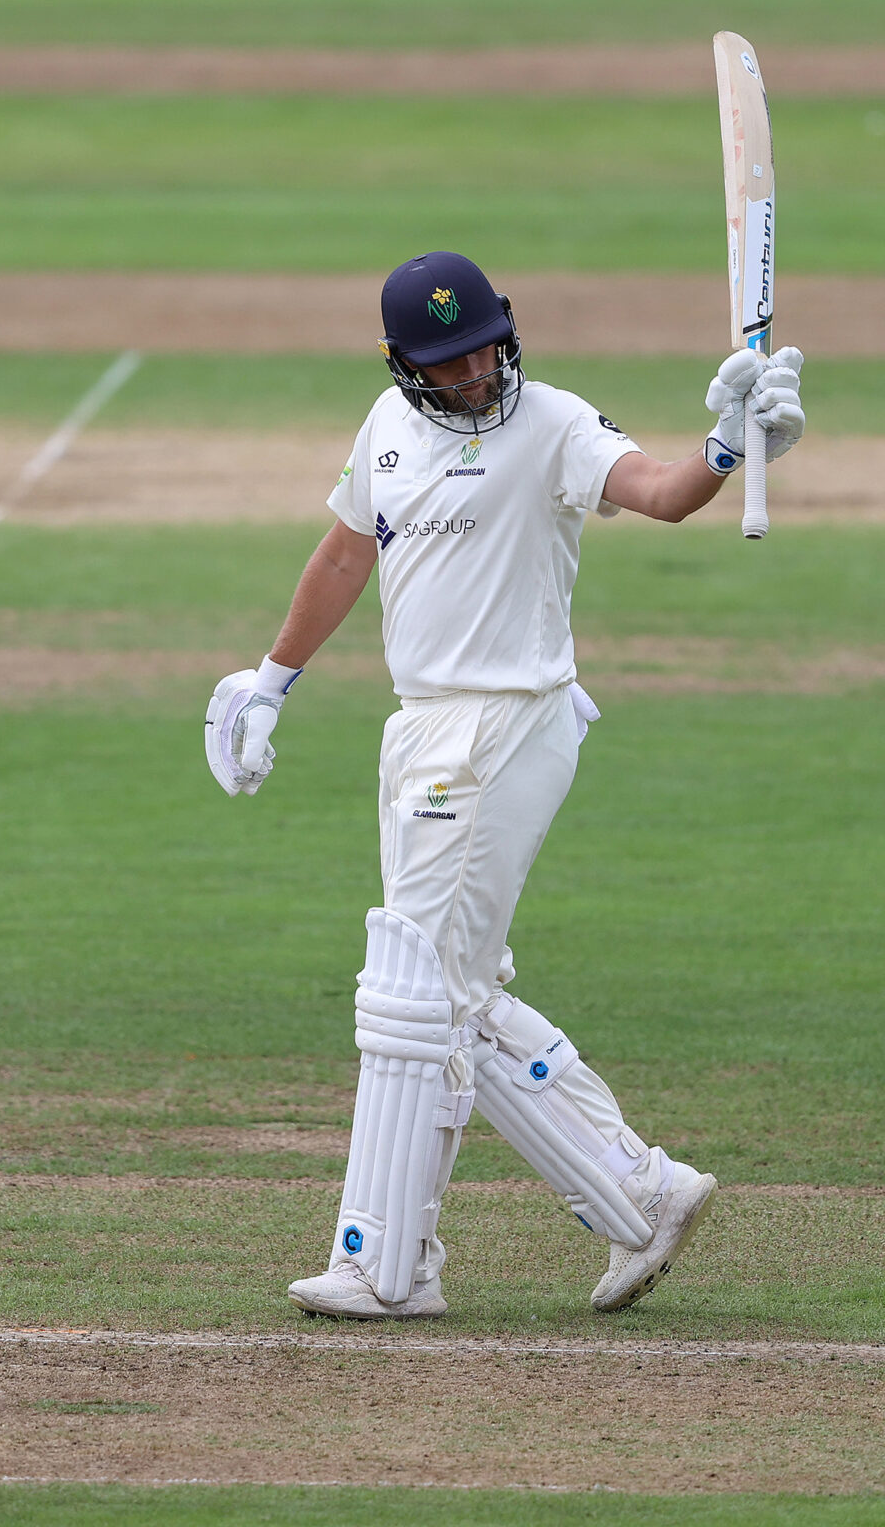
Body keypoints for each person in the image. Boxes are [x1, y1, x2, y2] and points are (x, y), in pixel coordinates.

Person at [205, 251, 806, 1320]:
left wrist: (725, 445)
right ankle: (639, 1192)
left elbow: (662, 496)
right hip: (422, 728)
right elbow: (346, 555)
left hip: (504, 724)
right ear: (402, 366)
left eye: (485, 346)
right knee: (454, 993)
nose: (477, 371)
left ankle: (386, 1265)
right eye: (450, 360)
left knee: (414, 992)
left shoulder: (557, 425)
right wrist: (271, 682)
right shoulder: (384, 432)